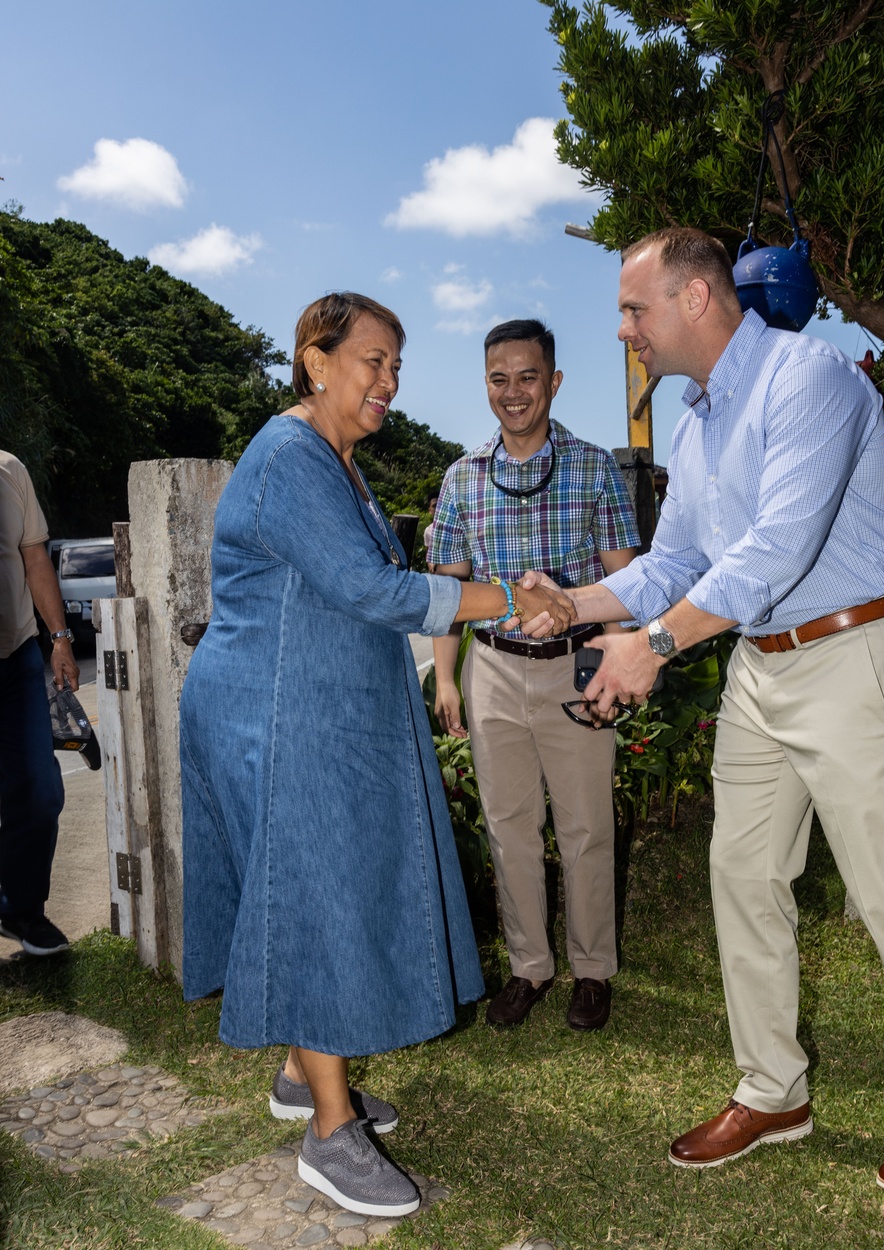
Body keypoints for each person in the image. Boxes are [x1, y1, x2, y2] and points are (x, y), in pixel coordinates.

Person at [520, 227, 884, 1197]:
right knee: (741, 875)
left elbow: (776, 547)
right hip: (759, 666)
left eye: (633, 308)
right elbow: (677, 563)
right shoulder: (695, 419)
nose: (623, 330)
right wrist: (576, 605)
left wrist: (652, 645)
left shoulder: (808, 380)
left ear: (696, 299)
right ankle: (773, 1087)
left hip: (849, 655)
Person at [179, 293, 573, 1219]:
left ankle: (297, 1070)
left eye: (398, 365)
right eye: (373, 361)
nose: (390, 382)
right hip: (270, 710)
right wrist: (510, 600)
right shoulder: (290, 458)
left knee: (312, 885)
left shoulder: (336, 462)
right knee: (312, 894)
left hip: (305, 704)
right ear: (317, 362)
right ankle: (327, 1130)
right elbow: (371, 588)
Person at [430, 319, 639, 1032]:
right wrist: (448, 678)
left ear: (553, 382)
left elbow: (625, 581)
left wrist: (616, 664)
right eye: (499, 378)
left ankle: (591, 970)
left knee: (585, 826)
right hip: (491, 669)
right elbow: (447, 593)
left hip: (574, 668)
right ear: (485, 384)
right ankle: (529, 968)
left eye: (527, 377)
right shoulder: (462, 476)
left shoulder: (592, 468)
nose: (513, 392)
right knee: (509, 826)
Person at [0, 450, 78, 956]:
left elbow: (34, 560)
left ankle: (22, 910)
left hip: (16, 658)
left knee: (41, 789)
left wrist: (60, 638)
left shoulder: (11, 470)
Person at [423, 487, 439, 573]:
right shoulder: (428, 531)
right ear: (430, 510)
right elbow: (428, 553)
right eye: (434, 506)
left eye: (440, 504)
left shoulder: (454, 528)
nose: (437, 508)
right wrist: (431, 565)